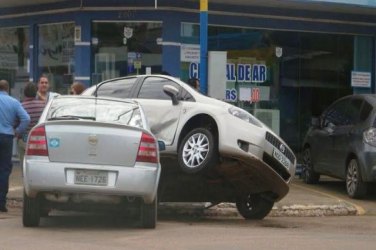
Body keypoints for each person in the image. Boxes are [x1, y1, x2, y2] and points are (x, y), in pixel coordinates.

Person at [0, 80, 30, 212]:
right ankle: (1, 202)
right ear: (8, 89)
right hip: (6, 137)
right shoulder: (14, 102)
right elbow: (26, 119)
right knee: (4, 169)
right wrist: (17, 131)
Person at [17, 82, 46, 169]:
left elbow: (16, 123)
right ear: (36, 92)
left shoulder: (20, 106)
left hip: (23, 139)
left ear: (25, 92)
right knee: (39, 165)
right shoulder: (43, 105)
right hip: (40, 140)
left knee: (24, 166)